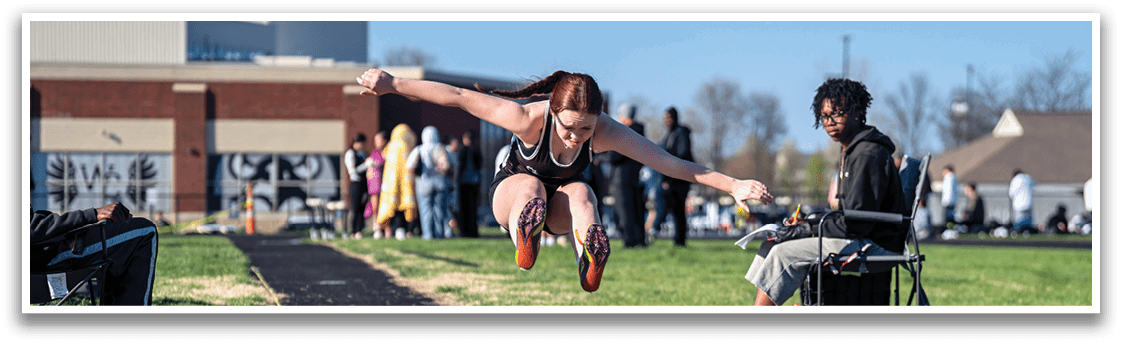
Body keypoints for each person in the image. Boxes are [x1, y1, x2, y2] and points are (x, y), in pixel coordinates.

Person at [356, 68, 773, 292]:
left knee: (582, 192)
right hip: (513, 192)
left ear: (598, 121)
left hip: (559, 209)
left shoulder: (606, 130)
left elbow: (670, 163)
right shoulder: (525, 118)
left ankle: (588, 258)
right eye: (569, 128)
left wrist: (732, 185)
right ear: (552, 112)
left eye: (586, 130)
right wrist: (393, 84)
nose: (576, 137)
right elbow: (458, 98)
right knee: (533, 187)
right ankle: (526, 233)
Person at [745, 78, 907, 306]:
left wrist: (808, 228)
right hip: (863, 236)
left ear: (857, 111)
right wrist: (808, 222)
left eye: (838, 113)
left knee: (784, 254)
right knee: (773, 244)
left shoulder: (866, 154)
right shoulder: (854, 151)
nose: (829, 121)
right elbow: (850, 215)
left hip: (874, 244)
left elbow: (857, 223)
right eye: (824, 116)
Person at [31, 201, 159, 305]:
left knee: (121, 237)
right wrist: (91, 215)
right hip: (45, 257)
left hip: (44, 249)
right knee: (145, 231)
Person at [605, 103, 646, 248]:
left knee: (623, 212)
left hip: (621, 178)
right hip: (635, 177)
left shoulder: (625, 133)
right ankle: (639, 239)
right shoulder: (640, 131)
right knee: (636, 211)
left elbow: (615, 156)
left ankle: (629, 241)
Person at [654, 106, 694, 247]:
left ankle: (679, 240)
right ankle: (677, 238)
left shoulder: (680, 133)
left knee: (678, 210)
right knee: (675, 210)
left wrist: (669, 178)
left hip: (679, 179)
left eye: (669, 118)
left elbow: (680, 156)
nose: (667, 121)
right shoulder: (670, 134)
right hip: (672, 178)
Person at [407, 126, 454, 240]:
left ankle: (427, 234)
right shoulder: (440, 148)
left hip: (423, 181)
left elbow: (409, 166)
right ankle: (438, 234)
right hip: (440, 182)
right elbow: (448, 166)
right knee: (439, 210)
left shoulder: (419, 149)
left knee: (425, 210)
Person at [376, 124, 419, 241]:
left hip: (390, 184)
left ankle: (389, 231)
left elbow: (384, 159)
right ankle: (406, 230)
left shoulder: (390, 146)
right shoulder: (406, 146)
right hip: (406, 184)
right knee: (405, 206)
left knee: (392, 206)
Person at [345, 133, 374, 239]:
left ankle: (359, 230)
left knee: (362, 208)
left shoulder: (362, 154)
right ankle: (354, 231)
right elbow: (353, 172)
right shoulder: (350, 154)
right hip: (356, 184)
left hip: (364, 183)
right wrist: (366, 166)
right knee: (356, 208)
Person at [455, 129, 483, 238]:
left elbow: (460, 166)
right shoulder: (476, 150)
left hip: (464, 183)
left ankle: (465, 231)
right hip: (474, 182)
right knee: (473, 208)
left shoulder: (463, 150)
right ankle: (473, 231)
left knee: (464, 208)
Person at [365, 131, 388, 239]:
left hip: (388, 184)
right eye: (375, 140)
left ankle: (388, 229)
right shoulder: (375, 153)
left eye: (378, 140)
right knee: (376, 207)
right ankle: (377, 228)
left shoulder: (389, 151)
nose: (376, 142)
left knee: (387, 207)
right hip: (376, 185)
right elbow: (370, 169)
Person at [1009, 168, 1035, 234]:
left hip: (1019, 205)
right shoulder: (1028, 178)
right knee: (1028, 220)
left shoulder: (1015, 180)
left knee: (1019, 221)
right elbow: (1035, 186)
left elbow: (1011, 193)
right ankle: (1027, 232)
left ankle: (1016, 232)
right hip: (1028, 203)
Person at [941, 164, 958, 229]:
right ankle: (950, 228)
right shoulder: (954, 178)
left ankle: (949, 229)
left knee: (948, 217)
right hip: (952, 201)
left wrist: (946, 202)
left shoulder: (949, 178)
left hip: (948, 202)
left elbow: (949, 191)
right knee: (951, 216)